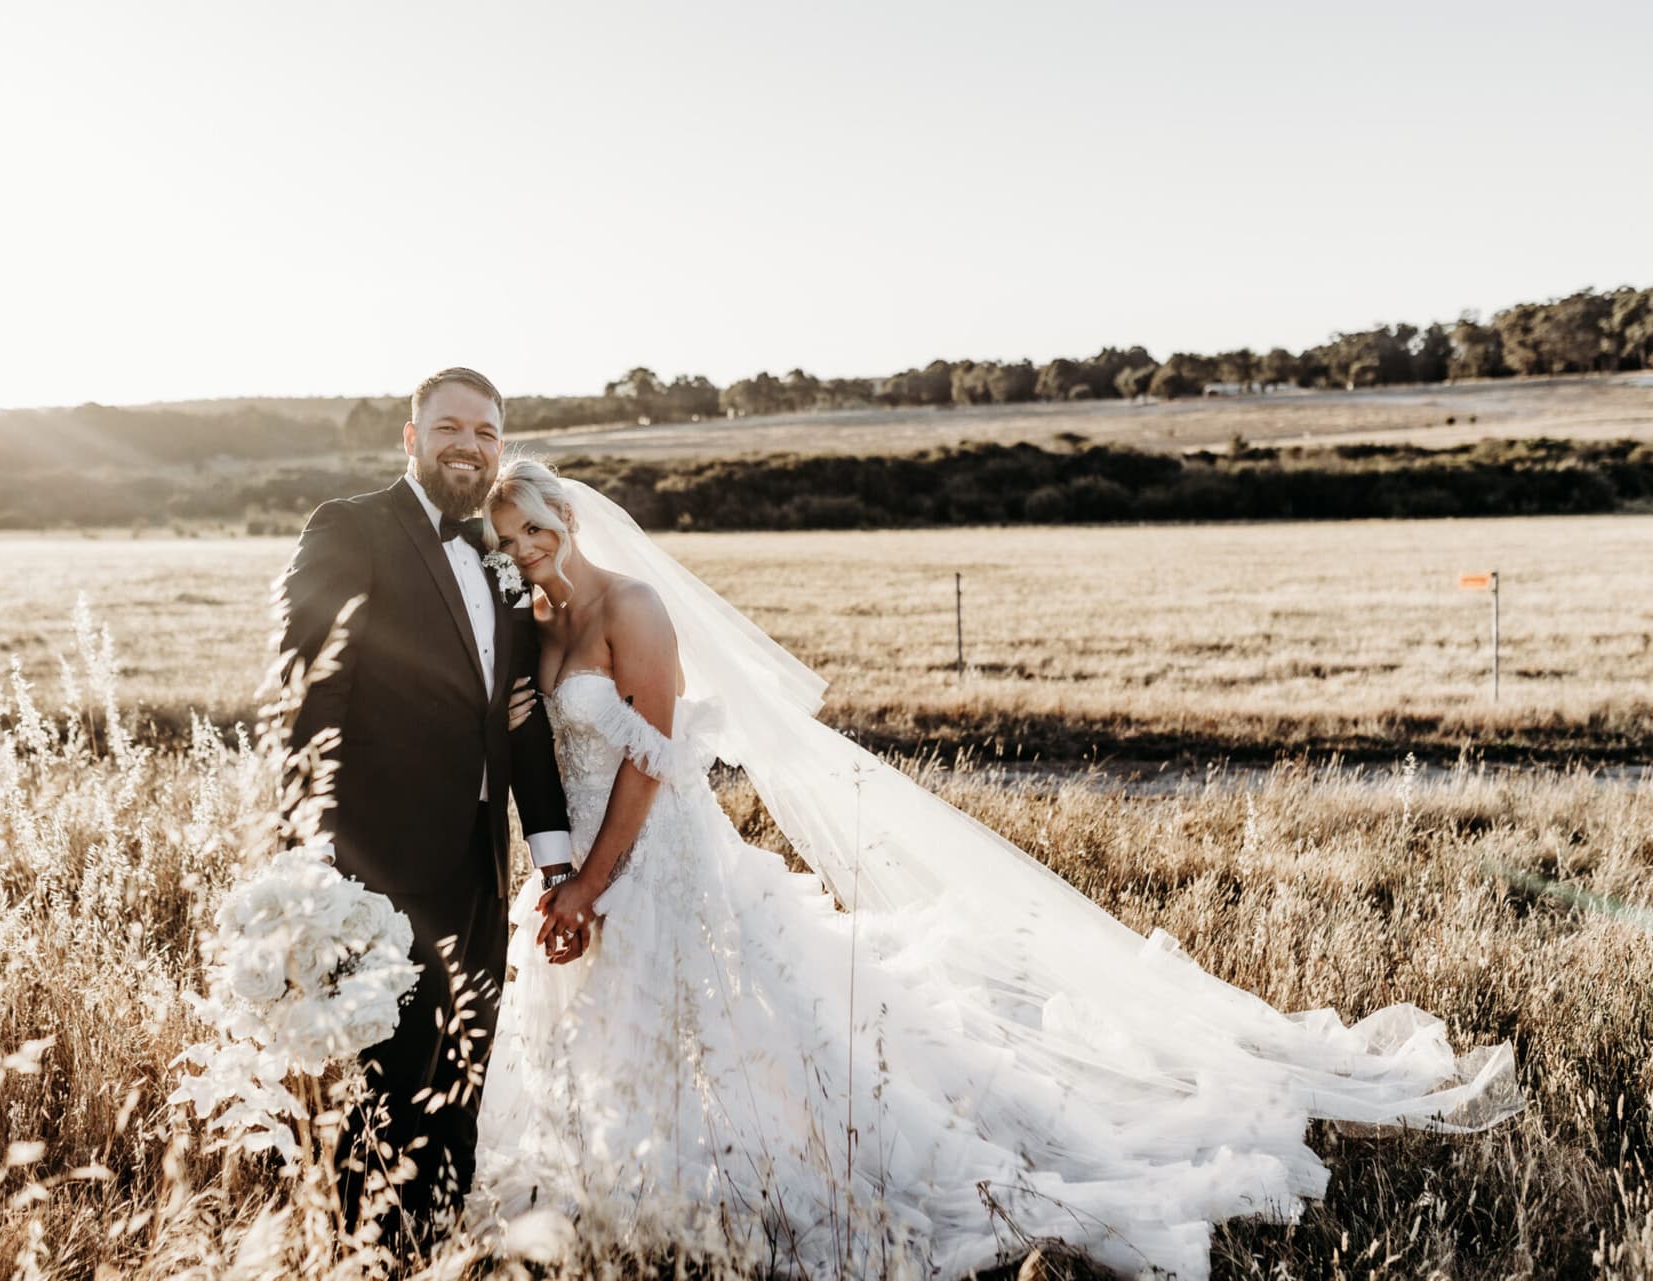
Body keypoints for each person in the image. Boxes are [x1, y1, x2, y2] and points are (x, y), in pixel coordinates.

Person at [470, 457, 1521, 1280]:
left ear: (571, 517)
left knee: (757, 1025)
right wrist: (561, 875)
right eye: (507, 539)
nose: (525, 549)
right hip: (588, 873)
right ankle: (632, 1184)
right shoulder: (541, 620)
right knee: (631, 1029)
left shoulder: (636, 611)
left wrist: (592, 886)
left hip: (659, 861)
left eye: (536, 528)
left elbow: (654, 768)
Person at [268, 369, 583, 1245]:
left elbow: (521, 723)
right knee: (381, 1086)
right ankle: (361, 1254)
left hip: (482, 870)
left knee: (461, 1080)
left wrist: (555, 861)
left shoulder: (501, 556)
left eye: (486, 432)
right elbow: (307, 698)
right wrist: (305, 861)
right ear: (411, 437)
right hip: (375, 872)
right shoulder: (351, 528)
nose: (468, 445)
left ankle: (433, 1248)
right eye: (449, 427)